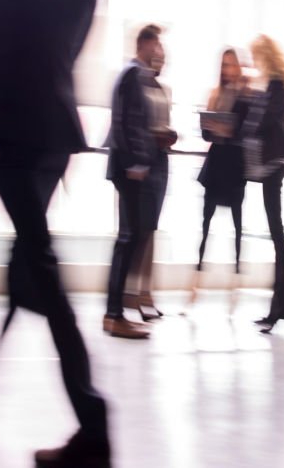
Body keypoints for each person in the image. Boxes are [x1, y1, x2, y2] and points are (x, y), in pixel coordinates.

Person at [0, 0, 110, 467]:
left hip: (17, 130)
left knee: (43, 271)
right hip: (57, 129)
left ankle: (93, 421)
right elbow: (72, 45)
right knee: (31, 261)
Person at [104, 24, 164, 339]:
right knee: (127, 239)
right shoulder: (131, 74)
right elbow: (124, 122)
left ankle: (116, 313)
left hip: (129, 168)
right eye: (157, 44)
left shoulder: (133, 74)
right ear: (146, 44)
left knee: (129, 238)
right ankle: (114, 314)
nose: (159, 51)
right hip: (128, 169)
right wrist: (136, 163)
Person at [189, 48, 249, 308]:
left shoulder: (246, 95)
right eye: (223, 65)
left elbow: (246, 133)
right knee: (205, 224)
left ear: (238, 66)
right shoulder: (215, 94)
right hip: (216, 162)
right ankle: (196, 282)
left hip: (235, 164)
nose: (227, 70)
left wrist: (229, 131)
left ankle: (235, 285)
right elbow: (206, 134)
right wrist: (212, 127)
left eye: (231, 65)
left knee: (237, 224)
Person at [244, 35, 284, 334]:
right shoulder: (274, 86)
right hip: (271, 166)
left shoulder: (277, 86)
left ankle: (277, 310)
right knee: (276, 235)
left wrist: (244, 123)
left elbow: (262, 123)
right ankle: (278, 309)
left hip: (272, 165)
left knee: (277, 235)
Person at [123, 48, 175, 321]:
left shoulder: (164, 90)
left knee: (151, 229)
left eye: (163, 56)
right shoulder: (136, 84)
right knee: (138, 229)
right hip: (143, 161)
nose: (161, 61)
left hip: (161, 160)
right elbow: (135, 125)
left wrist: (170, 135)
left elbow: (164, 124)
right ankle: (130, 293)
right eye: (157, 55)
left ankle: (146, 293)